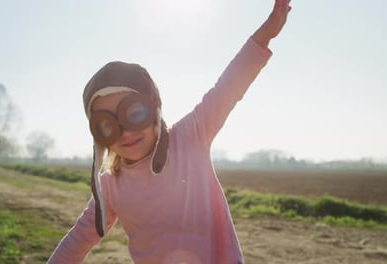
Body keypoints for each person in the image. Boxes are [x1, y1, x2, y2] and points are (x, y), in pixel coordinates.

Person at [48, 1, 292, 263]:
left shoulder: (190, 138)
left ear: (155, 109)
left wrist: (266, 33)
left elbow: (229, 86)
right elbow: (80, 238)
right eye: (107, 125)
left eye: (134, 113)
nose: (125, 132)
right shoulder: (110, 187)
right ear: (98, 137)